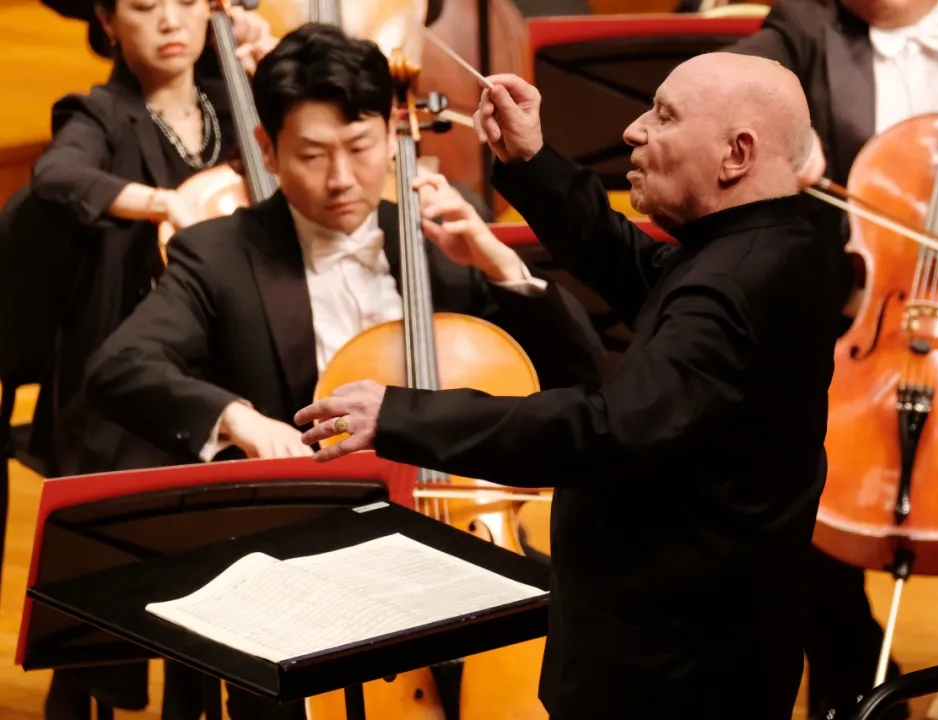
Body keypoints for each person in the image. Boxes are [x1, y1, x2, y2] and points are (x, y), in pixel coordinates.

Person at [293, 51, 841, 720]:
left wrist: (401, 414)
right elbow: (637, 266)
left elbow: (603, 430)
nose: (635, 130)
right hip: (700, 652)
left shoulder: (732, 285)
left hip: (670, 679)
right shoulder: (775, 246)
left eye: (664, 117)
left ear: (737, 154)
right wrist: (531, 159)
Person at [83, 21, 607, 719]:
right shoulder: (217, 255)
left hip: (463, 542)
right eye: (311, 154)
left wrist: (501, 265)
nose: (340, 179)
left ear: (392, 134)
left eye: (360, 148)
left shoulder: (443, 234)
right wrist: (240, 420)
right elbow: (120, 366)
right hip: (307, 566)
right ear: (267, 150)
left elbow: (584, 377)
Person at [723, 0, 938, 715]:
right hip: (870, 308)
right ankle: (851, 675)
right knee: (793, 462)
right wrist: (786, 140)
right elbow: (728, 81)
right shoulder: (807, 26)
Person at [24, 2, 275, 718]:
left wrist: (269, 70)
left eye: (187, 1)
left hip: (223, 371)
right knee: (138, 545)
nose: (170, 20)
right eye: (144, 4)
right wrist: (169, 204)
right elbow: (57, 176)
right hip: (124, 382)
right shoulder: (100, 113)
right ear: (108, 23)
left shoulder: (232, 99)